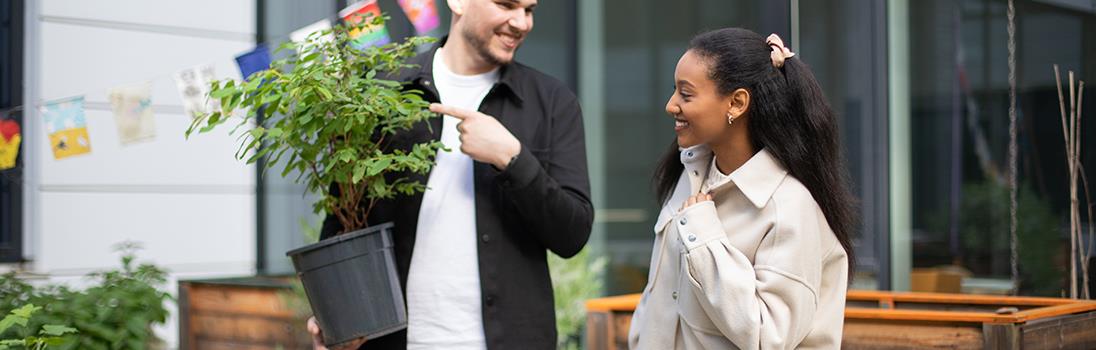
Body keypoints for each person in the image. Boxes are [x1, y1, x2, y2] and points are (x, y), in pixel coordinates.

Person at [308, 0, 593, 349]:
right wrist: (334, 314)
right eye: (506, 5)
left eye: (529, 10)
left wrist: (512, 158)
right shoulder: (384, 94)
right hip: (397, 341)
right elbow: (342, 218)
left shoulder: (551, 101)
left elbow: (572, 234)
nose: (521, 22)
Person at [628, 28, 857, 349]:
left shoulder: (788, 206)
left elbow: (768, 337)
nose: (671, 105)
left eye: (686, 94)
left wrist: (704, 238)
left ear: (736, 103)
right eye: (674, 91)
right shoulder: (691, 173)